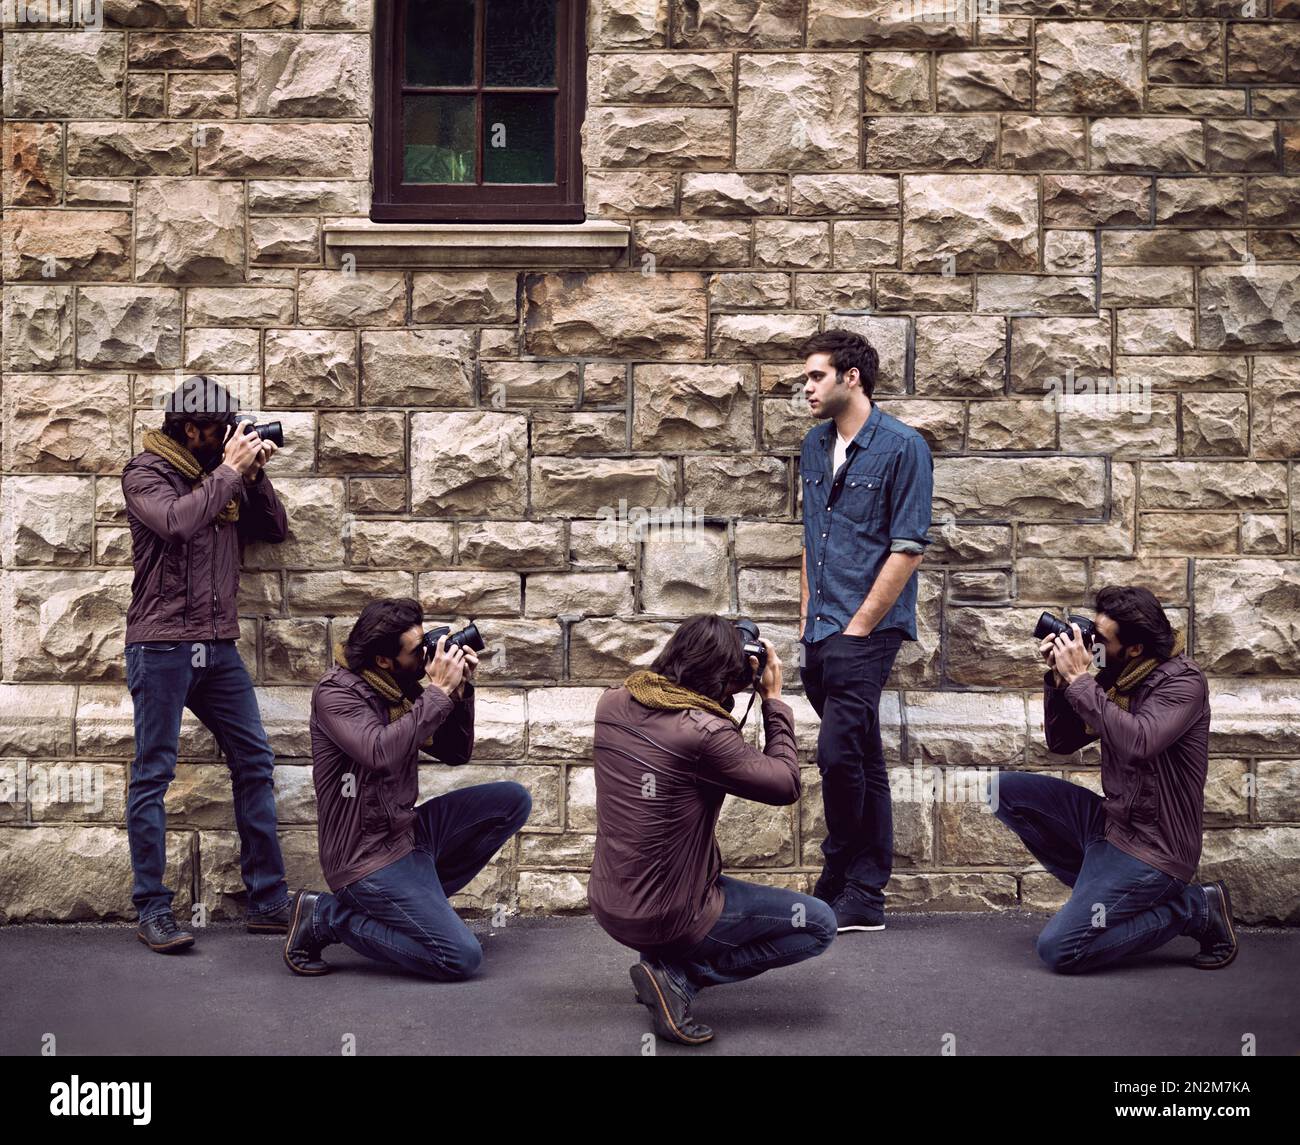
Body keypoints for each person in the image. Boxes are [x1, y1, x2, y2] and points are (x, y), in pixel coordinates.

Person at [589, 614, 836, 1046]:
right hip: (669, 913)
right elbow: (786, 784)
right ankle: (680, 978)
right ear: (725, 676)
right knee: (818, 924)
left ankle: (662, 965)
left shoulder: (612, 702)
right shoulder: (704, 733)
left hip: (610, 903)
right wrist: (773, 701)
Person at [123, 375, 291, 953]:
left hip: (217, 646)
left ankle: (268, 901)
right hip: (161, 644)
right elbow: (177, 522)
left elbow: (275, 531)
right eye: (218, 430)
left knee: (255, 761)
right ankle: (152, 909)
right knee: (154, 773)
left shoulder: (227, 479)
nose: (227, 437)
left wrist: (254, 475)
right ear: (189, 429)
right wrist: (229, 471)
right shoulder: (145, 473)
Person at [993, 584, 1238, 973]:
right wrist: (1060, 681)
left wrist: (1080, 680)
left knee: (1059, 950)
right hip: (1111, 825)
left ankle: (1194, 909)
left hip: (1155, 848)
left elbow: (1139, 741)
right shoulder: (1117, 675)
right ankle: (1105, 891)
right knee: (1001, 791)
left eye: (1101, 639)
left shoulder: (1183, 682)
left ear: (1135, 648)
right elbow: (1063, 742)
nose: (1091, 645)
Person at [284, 597, 531, 980]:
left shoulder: (399, 687)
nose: (428, 654)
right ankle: (325, 917)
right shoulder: (337, 694)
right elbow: (379, 752)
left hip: (407, 834)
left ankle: (415, 904)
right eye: (417, 650)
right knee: (460, 958)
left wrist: (459, 692)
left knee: (512, 801)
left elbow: (455, 753)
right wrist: (437, 692)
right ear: (384, 660)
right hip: (364, 857)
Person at [797, 329, 934, 932]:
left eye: (816, 376)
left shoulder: (904, 447)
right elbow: (811, 537)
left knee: (835, 757)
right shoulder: (814, 445)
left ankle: (840, 871)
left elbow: (907, 549)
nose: (806, 387)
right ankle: (864, 893)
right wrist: (808, 616)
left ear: (851, 377)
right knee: (862, 756)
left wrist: (856, 630)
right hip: (820, 628)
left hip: (866, 630)